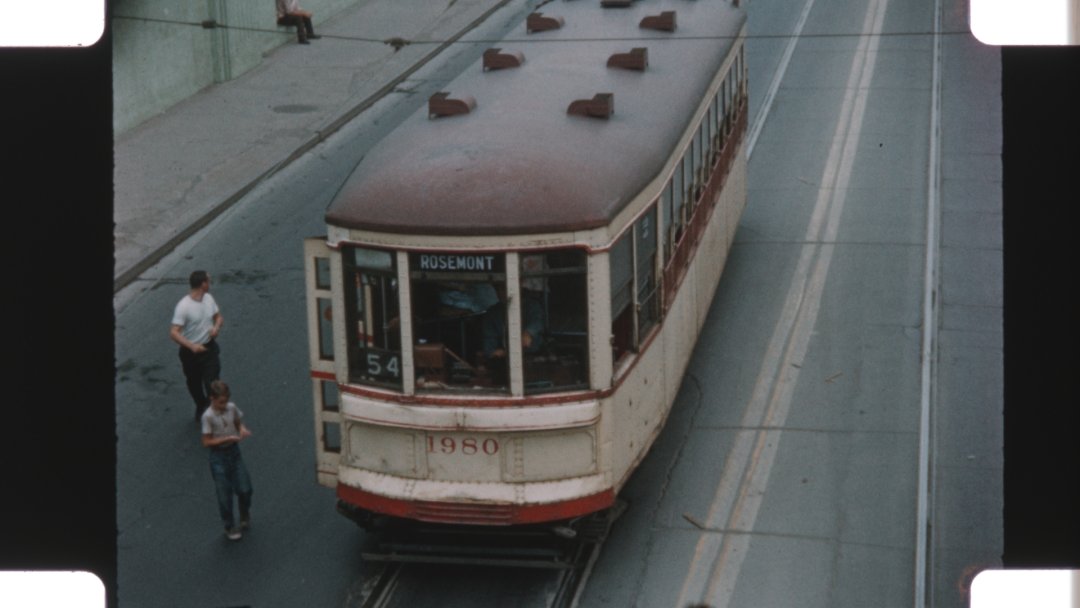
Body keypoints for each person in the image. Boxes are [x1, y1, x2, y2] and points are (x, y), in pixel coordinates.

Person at [201, 380, 254, 541]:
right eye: (220, 402)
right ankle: (229, 526)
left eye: (225, 401)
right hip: (218, 457)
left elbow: (238, 423)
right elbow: (206, 442)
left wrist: (242, 429)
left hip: (234, 453)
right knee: (224, 495)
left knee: (245, 489)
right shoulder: (208, 416)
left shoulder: (231, 408)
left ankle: (244, 512)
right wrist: (226, 438)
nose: (224, 405)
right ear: (212, 398)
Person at [170, 270, 223, 422]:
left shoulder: (209, 298)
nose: (210, 283)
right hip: (190, 353)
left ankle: (215, 413)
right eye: (209, 281)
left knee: (212, 383)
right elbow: (174, 332)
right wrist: (192, 346)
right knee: (194, 384)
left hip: (208, 348)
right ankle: (201, 405)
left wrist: (216, 328)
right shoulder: (184, 306)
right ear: (203, 284)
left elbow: (218, 317)